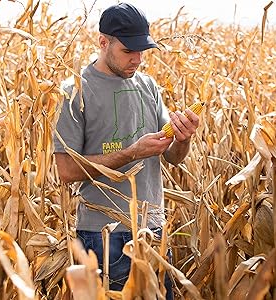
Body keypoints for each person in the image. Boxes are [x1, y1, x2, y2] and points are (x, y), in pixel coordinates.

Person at [54, 2, 199, 299]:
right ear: (103, 42)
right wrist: (131, 153)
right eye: (128, 51)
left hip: (154, 231)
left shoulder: (148, 86)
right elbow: (66, 170)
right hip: (104, 237)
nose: (137, 60)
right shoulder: (75, 92)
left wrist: (182, 139)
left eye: (142, 51)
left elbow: (170, 156)